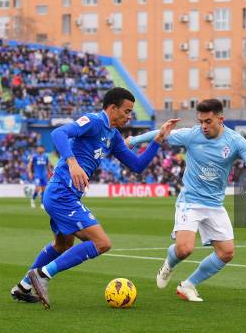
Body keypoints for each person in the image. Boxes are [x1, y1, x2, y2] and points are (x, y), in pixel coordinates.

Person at [11, 87, 178, 309]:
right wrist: (72, 163)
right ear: (112, 108)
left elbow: (137, 166)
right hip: (62, 193)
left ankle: (22, 287)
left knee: (62, 244)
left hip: (66, 195)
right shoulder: (93, 121)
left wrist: (158, 139)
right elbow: (58, 133)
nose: (129, 116)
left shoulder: (113, 136)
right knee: (101, 243)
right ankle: (42, 275)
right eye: (127, 111)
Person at [127, 99, 246, 302]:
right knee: (184, 249)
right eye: (201, 121)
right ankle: (169, 264)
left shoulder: (235, 140)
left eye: (208, 121)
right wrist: (131, 141)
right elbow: (161, 135)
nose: (204, 126)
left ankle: (188, 285)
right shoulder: (192, 135)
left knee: (226, 253)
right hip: (190, 201)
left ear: (221, 119)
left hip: (215, 204)